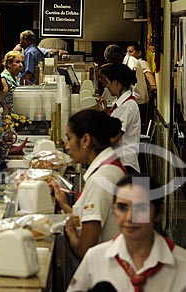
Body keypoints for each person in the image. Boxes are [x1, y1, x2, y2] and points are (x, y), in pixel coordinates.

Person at [67, 175, 186, 292]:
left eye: (140, 208)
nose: (129, 217)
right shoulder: (95, 258)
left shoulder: (182, 265)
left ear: (159, 212)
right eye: (122, 208)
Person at [51, 109, 126, 282]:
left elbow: (86, 247)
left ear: (85, 140)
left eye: (69, 138)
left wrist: (70, 232)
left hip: (105, 276)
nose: (67, 146)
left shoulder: (101, 179)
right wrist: (64, 205)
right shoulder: (108, 168)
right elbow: (92, 220)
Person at [98, 63, 141, 174]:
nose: (106, 86)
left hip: (126, 165)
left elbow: (114, 138)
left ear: (116, 82)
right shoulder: (121, 104)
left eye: (107, 82)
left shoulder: (128, 106)